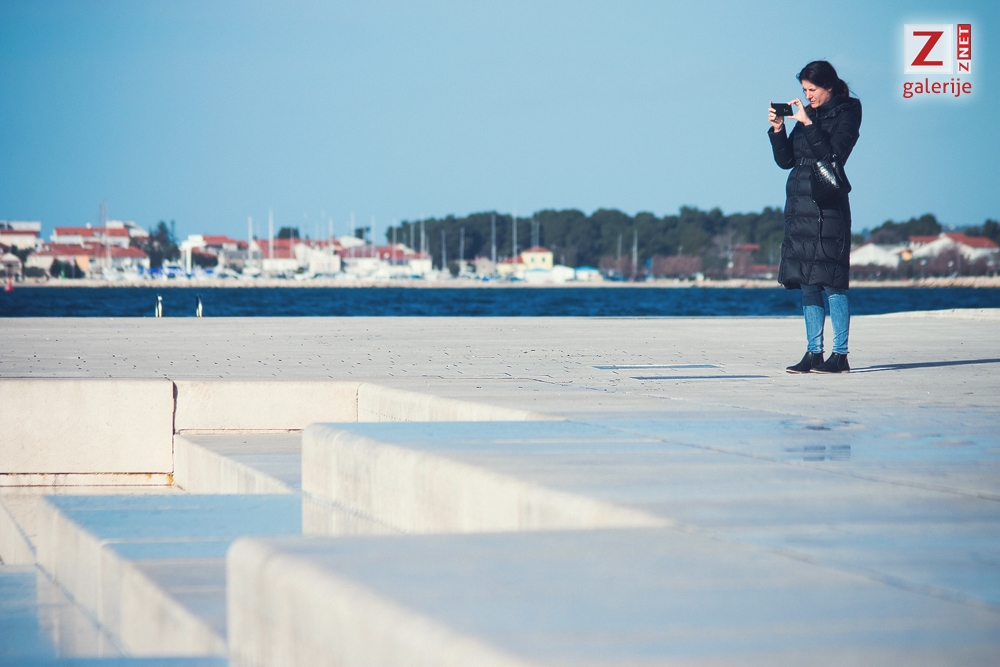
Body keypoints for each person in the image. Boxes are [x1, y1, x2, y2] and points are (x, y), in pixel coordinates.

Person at [768, 60, 861, 374]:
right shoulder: (810, 113)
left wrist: (808, 123)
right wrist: (778, 129)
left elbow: (832, 155)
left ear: (829, 86)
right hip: (800, 208)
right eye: (804, 90)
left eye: (812, 90)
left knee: (832, 282)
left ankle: (840, 355)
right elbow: (787, 161)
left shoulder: (848, 111)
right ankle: (814, 352)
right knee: (806, 282)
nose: (808, 96)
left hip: (828, 208)